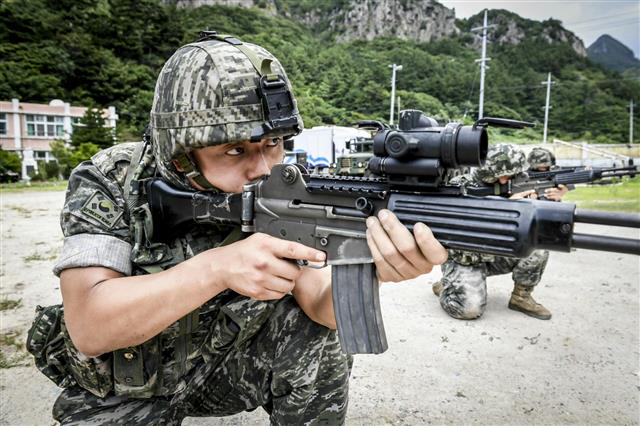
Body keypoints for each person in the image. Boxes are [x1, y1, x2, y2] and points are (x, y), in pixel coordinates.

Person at [27, 33, 447, 425]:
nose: (262, 168)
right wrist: (219, 268)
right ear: (180, 155)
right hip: (127, 383)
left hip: (225, 370)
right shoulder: (111, 179)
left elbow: (319, 301)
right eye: (235, 149)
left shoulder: (282, 188)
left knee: (322, 338)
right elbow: (89, 327)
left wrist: (374, 265)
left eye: (273, 144)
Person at [432, 144, 553, 320]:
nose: (506, 181)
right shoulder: (461, 186)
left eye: (511, 175)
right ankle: (448, 286)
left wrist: (536, 205)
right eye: (503, 175)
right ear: (488, 171)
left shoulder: (512, 184)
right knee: (468, 310)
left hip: (495, 254)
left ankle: (521, 297)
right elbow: (460, 227)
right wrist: (505, 208)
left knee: (537, 246)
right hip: (466, 260)